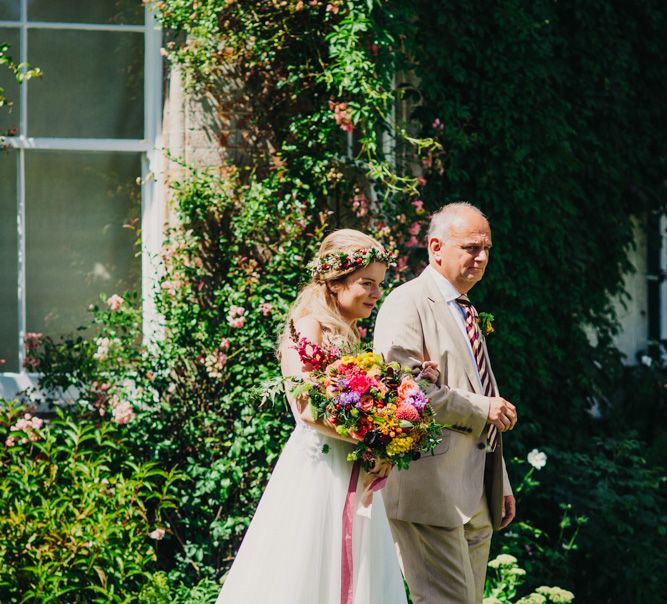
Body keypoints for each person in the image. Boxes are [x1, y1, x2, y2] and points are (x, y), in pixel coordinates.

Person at [217, 229, 424, 604]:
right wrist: (376, 438)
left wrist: (387, 440)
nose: (377, 293)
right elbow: (307, 408)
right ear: (335, 281)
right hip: (319, 470)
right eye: (367, 283)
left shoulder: (349, 333)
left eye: (379, 284)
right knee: (308, 567)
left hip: (350, 466)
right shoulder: (308, 323)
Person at [373, 202, 517, 604]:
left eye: (486, 248)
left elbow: (478, 386)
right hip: (430, 490)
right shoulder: (407, 303)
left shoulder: (466, 310)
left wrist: (499, 480)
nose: (483, 257)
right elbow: (402, 392)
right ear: (436, 247)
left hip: (477, 492)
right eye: (472, 247)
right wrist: (481, 408)